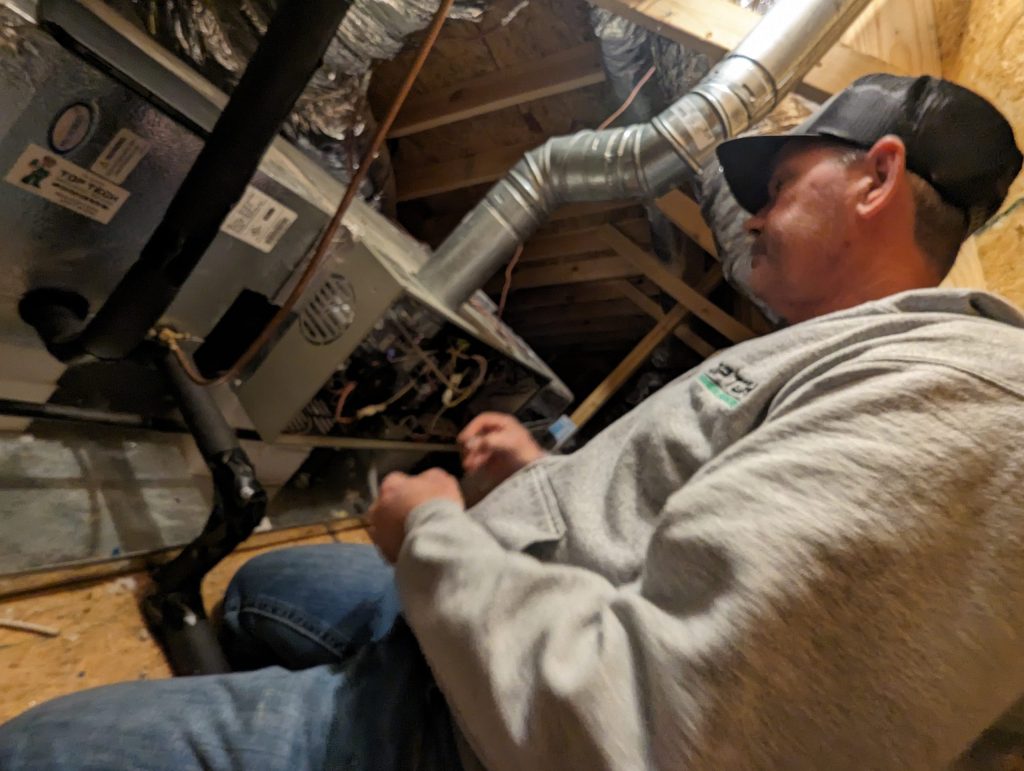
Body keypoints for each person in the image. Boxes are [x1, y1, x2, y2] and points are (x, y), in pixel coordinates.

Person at [2, 72, 1024, 769]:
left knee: (36, 751)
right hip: (500, 618)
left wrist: (432, 532)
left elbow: (655, 734)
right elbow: (686, 537)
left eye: (783, 184)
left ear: (876, 176)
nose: (751, 214)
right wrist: (540, 478)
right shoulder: (840, 351)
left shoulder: (961, 406)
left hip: (475, 736)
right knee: (264, 589)